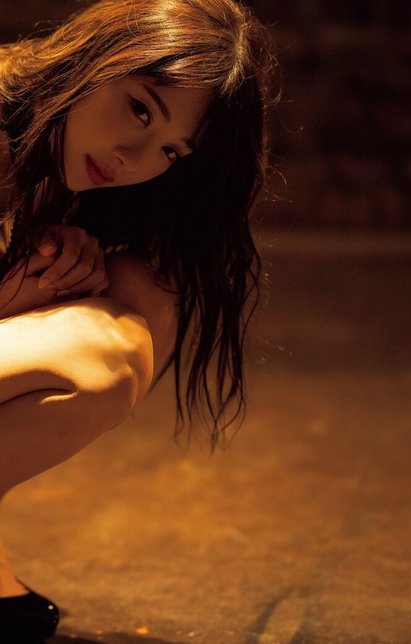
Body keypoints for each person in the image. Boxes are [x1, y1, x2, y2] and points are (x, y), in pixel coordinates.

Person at [0, 0, 274, 639]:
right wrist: (20, 290)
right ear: (100, 57)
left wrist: (53, 259)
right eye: (141, 110)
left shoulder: (63, 167)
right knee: (104, 353)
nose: (134, 156)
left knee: (141, 301)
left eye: (172, 151)